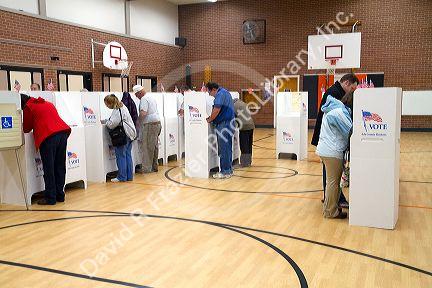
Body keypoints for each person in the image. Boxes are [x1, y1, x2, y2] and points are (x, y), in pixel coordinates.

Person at [311, 73, 359, 208]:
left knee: (331, 175)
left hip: (326, 141)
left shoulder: (334, 92)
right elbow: (343, 124)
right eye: (352, 89)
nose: (352, 92)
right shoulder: (335, 95)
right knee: (332, 176)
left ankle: (331, 198)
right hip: (329, 142)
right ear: (347, 83)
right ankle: (332, 201)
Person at [21, 94, 71, 205]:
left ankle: (50, 198)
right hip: (63, 133)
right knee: (59, 166)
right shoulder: (48, 103)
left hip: (48, 136)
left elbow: (26, 128)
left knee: (49, 168)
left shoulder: (28, 106)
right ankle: (60, 195)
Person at [316, 93, 353, 219]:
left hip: (326, 149)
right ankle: (330, 212)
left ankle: (332, 208)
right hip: (332, 151)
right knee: (333, 182)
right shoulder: (339, 112)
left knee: (332, 182)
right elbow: (350, 131)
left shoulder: (333, 109)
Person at [104, 94, 137, 182]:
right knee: (127, 155)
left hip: (123, 135)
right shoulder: (123, 107)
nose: (106, 106)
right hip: (130, 134)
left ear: (110, 103)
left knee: (121, 156)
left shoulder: (117, 110)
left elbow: (111, 125)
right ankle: (129, 176)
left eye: (106, 104)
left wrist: (106, 121)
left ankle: (122, 177)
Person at [206, 82, 235, 179]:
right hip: (230, 123)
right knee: (228, 148)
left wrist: (210, 119)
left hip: (224, 124)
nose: (211, 95)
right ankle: (229, 170)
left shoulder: (220, 94)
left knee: (223, 149)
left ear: (214, 89)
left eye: (210, 93)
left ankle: (225, 172)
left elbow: (216, 110)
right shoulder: (226, 92)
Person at [133, 84, 161, 173]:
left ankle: (146, 169)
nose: (136, 97)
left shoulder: (144, 99)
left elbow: (143, 113)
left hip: (149, 124)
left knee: (147, 147)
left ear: (140, 92)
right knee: (154, 146)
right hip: (157, 123)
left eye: (136, 95)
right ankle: (154, 166)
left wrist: (137, 122)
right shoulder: (151, 97)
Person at [233, 98, 255, 167]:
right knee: (248, 145)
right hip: (251, 125)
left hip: (244, 127)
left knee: (244, 145)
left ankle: (244, 163)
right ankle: (248, 162)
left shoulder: (234, 106)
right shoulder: (243, 103)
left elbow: (233, 117)